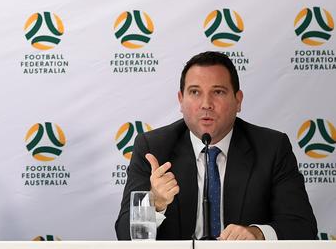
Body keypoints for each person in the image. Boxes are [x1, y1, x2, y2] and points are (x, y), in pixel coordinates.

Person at [115, 51, 317, 240]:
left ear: (238, 101)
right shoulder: (153, 147)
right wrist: (154, 204)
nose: (206, 104)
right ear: (181, 100)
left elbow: (302, 226)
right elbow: (125, 234)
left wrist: (256, 234)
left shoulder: (272, 147)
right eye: (195, 92)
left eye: (218, 92)